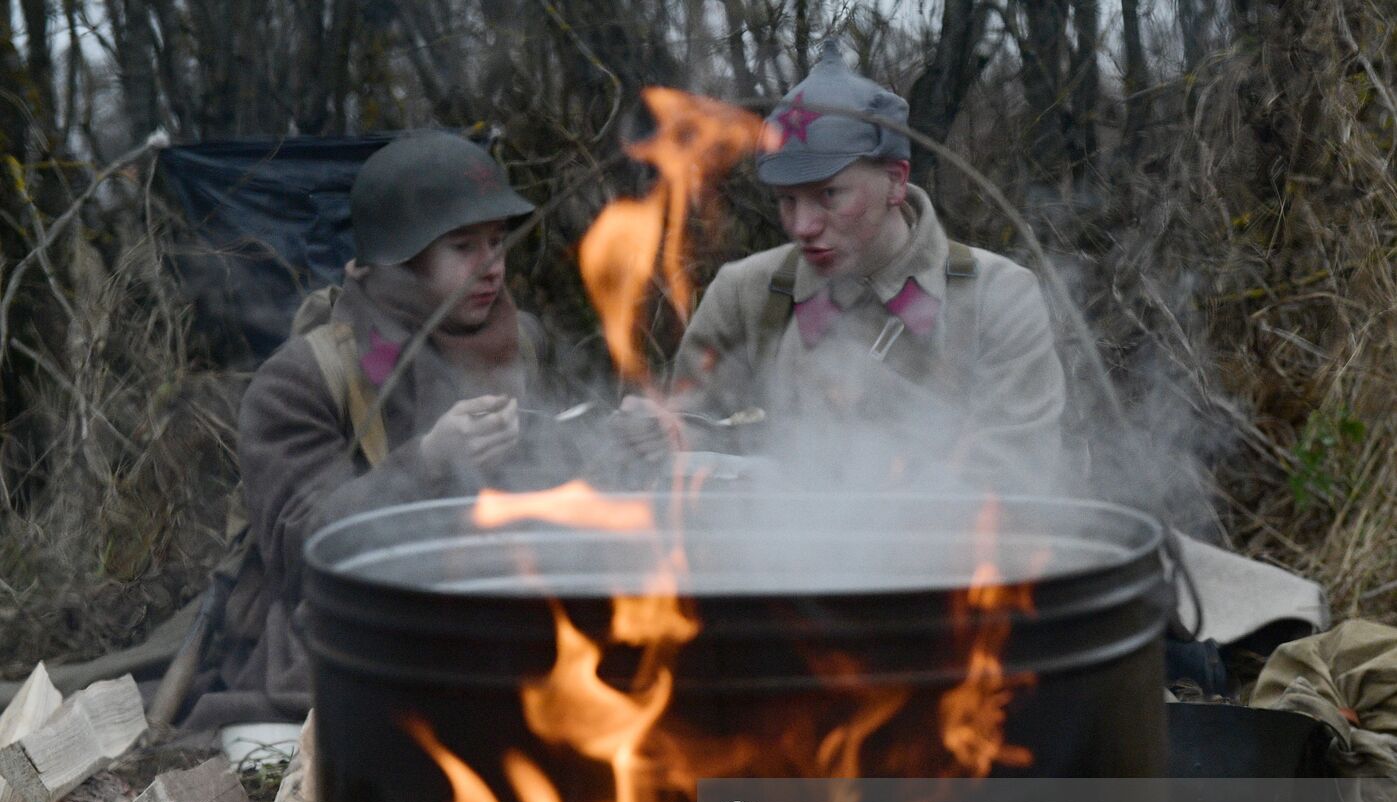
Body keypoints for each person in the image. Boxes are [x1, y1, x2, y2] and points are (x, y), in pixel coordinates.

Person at [183, 131, 563, 728]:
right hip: (356, 638)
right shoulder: (305, 377)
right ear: (401, 260)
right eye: (464, 247)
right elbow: (305, 551)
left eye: (497, 241)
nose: (493, 267)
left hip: (507, 611)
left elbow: (559, 481)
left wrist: (627, 440)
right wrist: (428, 461)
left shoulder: (523, 343)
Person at [626, 41, 1075, 493]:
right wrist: (658, 437)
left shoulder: (996, 296)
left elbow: (1016, 473)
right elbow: (696, 436)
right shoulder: (746, 293)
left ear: (895, 181)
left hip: (952, 559)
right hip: (772, 559)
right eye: (787, 200)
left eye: (828, 195)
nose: (801, 226)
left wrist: (809, 485)